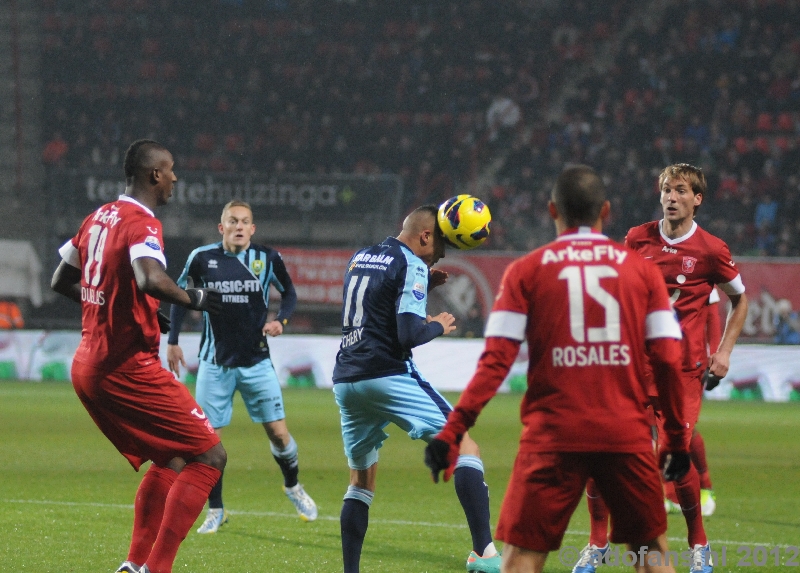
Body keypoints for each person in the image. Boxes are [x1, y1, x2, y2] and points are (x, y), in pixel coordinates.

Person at [424, 164, 690, 573]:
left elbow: (495, 362)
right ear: (606, 210)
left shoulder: (526, 271)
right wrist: (673, 437)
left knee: (523, 558)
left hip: (552, 436)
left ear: (552, 211)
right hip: (626, 432)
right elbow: (671, 359)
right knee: (651, 554)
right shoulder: (643, 272)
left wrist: (451, 432)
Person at [51, 139, 227, 573]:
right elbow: (150, 278)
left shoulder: (97, 217)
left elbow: (61, 279)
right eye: (170, 171)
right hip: (125, 368)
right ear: (154, 175)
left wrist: (128, 308)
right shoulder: (141, 221)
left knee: (174, 458)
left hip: (88, 365)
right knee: (211, 457)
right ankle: (156, 569)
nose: (174, 179)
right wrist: (194, 298)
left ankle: (134, 565)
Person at [574, 163, 748, 573]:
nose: (672, 197)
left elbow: (740, 299)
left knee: (676, 456)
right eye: (667, 190)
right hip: (633, 367)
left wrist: (723, 353)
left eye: (681, 190)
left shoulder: (711, 250)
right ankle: (596, 543)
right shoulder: (637, 239)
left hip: (682, 372)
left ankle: (698, 546)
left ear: (697, 199)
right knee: (600, 452)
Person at [332, 205, 501, 573]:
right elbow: (410, 335)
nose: (441, 254)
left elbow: (380, 309)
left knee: (361, 481)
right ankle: (484, 553)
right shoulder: (410, 264)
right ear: (425, 236)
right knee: (464, 444)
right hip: (387, 374)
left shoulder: (361, 256)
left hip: (346, 378)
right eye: (440, 246)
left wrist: (422, 280)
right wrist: (438, 323)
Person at [167, 200, 317, 533]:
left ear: (252, 228)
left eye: (244, 221)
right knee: (208, 444)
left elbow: (289, 292)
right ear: (221, 228)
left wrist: (282, 320)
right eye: (232, 221)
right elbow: (180, 295)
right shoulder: (202, 258)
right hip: (215, 364)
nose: (238, 226)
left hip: (256, 362)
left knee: (279, 435)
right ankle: (216, 510)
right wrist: (173, 340)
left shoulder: (266, 258)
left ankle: (293, 486)